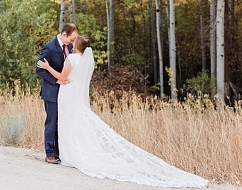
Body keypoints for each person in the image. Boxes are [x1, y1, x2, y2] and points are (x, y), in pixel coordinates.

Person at [37, 36, 208, 187]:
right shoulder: (85, 59)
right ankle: (68, 154)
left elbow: (61, 77)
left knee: (68, 123)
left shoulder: (73, 58)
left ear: (78, 46)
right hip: (74, 94)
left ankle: (69, 155)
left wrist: (46, 67)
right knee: (72, 123)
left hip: (68, 94)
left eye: (75, 41)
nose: (72, 42)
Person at [35, 23, 78, 164]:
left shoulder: (71, 47)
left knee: (62, 123)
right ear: (64, 34)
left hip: (66, 92)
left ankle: (60, 152)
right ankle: (50, 154)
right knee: (51, 123)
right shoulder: (49, 48)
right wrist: (56, 80)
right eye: (71, 39)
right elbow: (39, 69)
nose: (72, 43)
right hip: (51, 91)